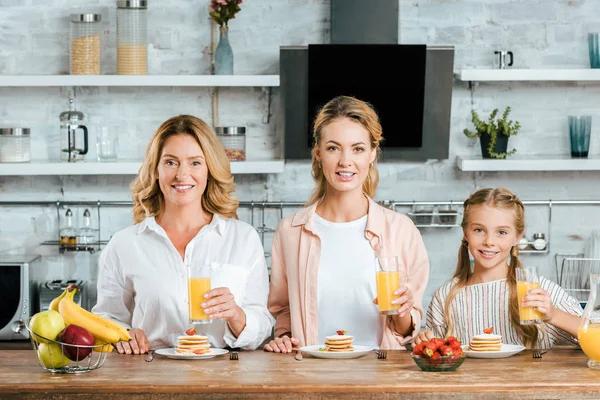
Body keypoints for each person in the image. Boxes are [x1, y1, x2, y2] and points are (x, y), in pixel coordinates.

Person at [92, 114, 274, 354]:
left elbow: (262, 325)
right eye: (171, 162)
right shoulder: (125, 244)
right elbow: (105, 318)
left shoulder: (243, 239)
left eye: (195, 163)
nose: (182, 175)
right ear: (155, 170)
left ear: (209, 170)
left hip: (225, 378)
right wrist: (122, 335)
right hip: (150, 376)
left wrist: (236, 315)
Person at [264, 96, 430, 353]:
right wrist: (283, 337)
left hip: (381, 376)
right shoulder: (290, 231)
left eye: (358, 148)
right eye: (333, 148)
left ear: (372, 154)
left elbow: (406, 331)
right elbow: (283, 310)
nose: (345, 161)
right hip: (310, 374)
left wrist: (403, 311)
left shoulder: (401, 230)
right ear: (318, 153)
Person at [415, 187, 583, 349]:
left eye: (501, 232)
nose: (489, 241)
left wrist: (553, 315)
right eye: (479, 230)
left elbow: (594, 334)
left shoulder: (536, 290)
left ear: (517, 237)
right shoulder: (445, 297)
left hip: (528, 379)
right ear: (466, 233)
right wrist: (424, 341)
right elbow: (435, 353)